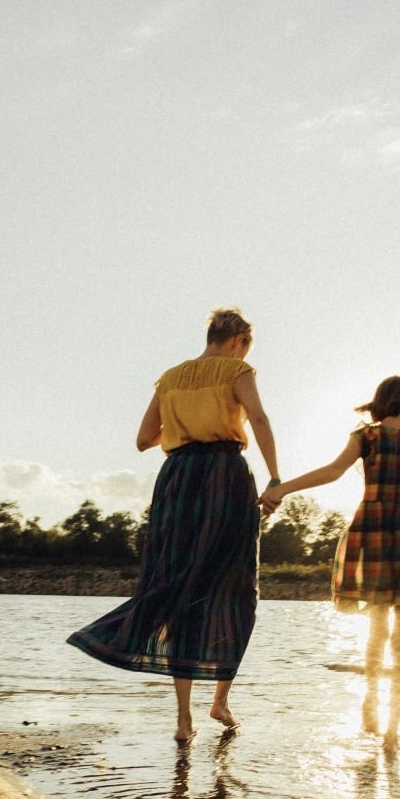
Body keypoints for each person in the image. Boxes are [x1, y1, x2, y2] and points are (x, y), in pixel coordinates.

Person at [68, 308, 280, 742]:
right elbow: (258, 419)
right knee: (236, 587)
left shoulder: (170, 378)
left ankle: (184, 720)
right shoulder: (237, 369)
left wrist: (187, 428)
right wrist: (275, 478)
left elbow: (145, 439)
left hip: (178, 482)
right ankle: (220, 700)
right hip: (223, 477)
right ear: (239, 339)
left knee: (179, 584)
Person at [259, 375, 400, 749]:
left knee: (377, 625)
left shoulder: (365, 437)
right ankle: (394, 732)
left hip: (373, 531)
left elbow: (331, 472)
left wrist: (281, 488)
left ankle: (370, 698)